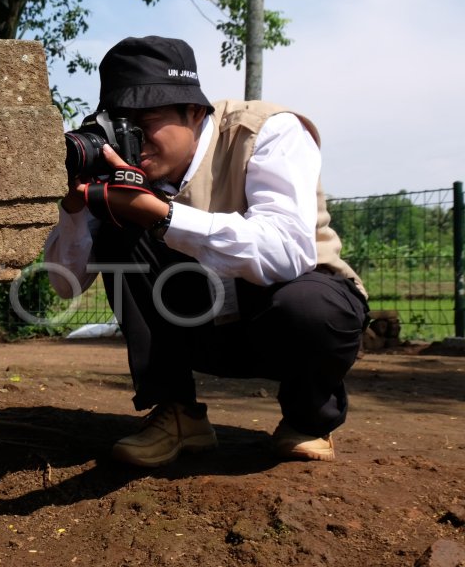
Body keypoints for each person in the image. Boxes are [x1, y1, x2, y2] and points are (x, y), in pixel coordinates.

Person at [44, 35, 368, 467]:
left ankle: (309, 419)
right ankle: (178, 413)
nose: (131, 138)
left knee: (310, 306)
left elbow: (287, 252)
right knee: (122, 227)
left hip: (288, 323)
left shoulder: (267, 131)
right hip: (200, 329)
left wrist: (160, 215)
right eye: (118, 122)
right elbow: (64, 284)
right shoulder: (125, 169)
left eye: (145, 120)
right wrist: (75, 206)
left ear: (195, 112)